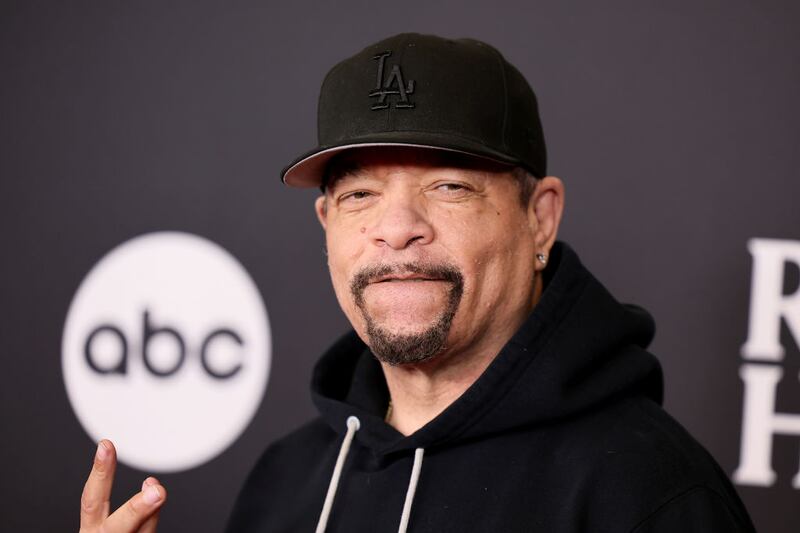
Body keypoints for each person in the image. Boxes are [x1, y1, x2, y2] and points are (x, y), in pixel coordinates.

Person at [78, 33, 756, 532]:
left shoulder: (652, 496)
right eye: (360, 195)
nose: (396, 227)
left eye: (449, 186)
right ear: (326, 223)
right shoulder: (284, 482)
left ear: (540, 219)